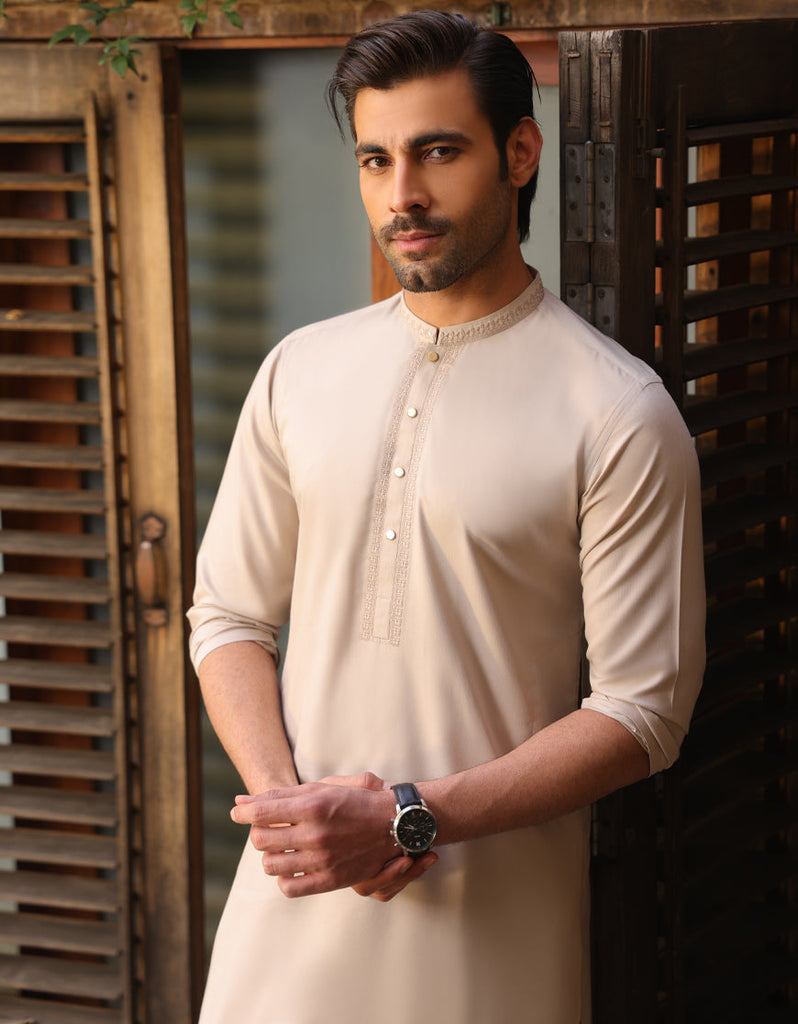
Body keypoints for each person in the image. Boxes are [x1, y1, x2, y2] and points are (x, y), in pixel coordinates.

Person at [188, 11, 705, 1024]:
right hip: (286, 915)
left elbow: (644, 712)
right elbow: (228, 615)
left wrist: (407, 819)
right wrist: (296, 815)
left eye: (438, 152)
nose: (403, 195)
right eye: (375, 160)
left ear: (521, 153)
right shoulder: (299, 370)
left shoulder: (615, 412)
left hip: (488, 939)